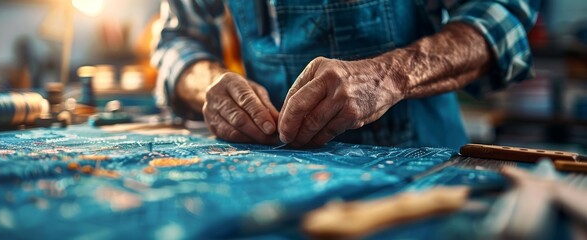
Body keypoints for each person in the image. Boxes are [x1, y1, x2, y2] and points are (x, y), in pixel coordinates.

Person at [152, 0, 539, 149]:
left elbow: (501, 18)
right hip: (276, 168)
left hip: (423, 169)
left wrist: (388, 76)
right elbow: (177, 41)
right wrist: (209, 86)